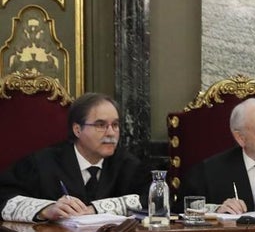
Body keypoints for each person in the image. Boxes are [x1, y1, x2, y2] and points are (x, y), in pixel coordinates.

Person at [0, 92, 149, 222]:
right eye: (100, 125)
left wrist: (95, 209)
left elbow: (154, 199)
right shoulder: (42, 163)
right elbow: (4, 195)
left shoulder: (127, 164)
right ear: (77, 130)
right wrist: (45, 210)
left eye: (115, 125)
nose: (111, 133)